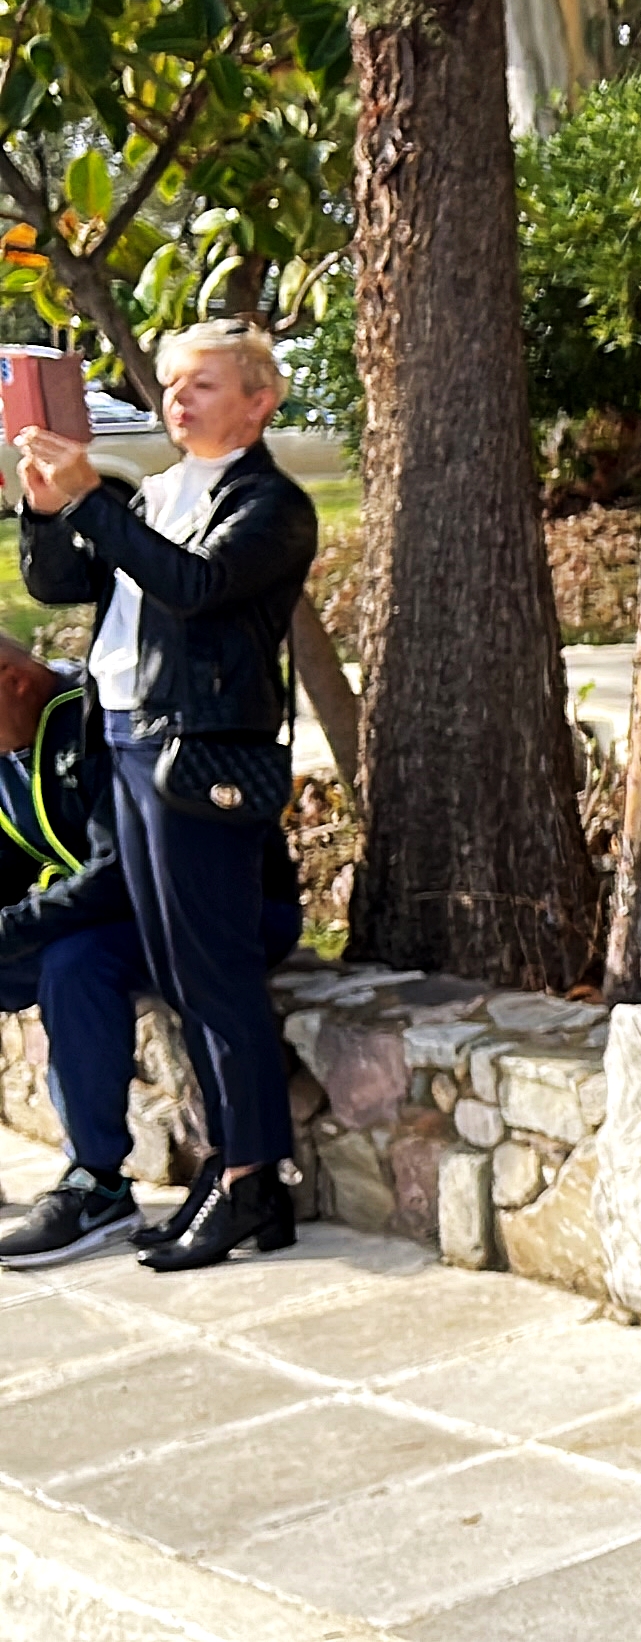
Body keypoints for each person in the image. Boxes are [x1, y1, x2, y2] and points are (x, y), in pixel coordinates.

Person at [15, 320, 317, 1273]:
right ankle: (236, 1176)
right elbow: (64, 582)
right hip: (127, 738)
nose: (177, 400)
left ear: (258, 404)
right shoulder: (156, 492)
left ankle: (252, 1178)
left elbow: (194, 585)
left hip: (198, 757)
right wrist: (44, 509)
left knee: (214, 976)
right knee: (185, 979)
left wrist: (93, 500)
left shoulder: (270, 504)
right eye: (173, 385)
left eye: (203, 385)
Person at [0, 657, 304, 1267]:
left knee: (74, 965)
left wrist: (11, 928)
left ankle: (98, 1183)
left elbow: (115, 874)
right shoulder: (10, 751)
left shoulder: (97, 718)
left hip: (219, 911)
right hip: (113, 919)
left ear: (16, 681)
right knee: (65, 952)